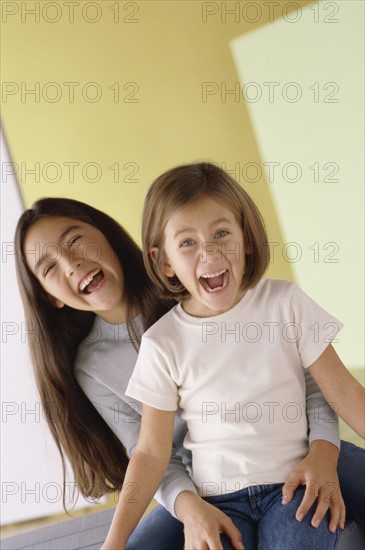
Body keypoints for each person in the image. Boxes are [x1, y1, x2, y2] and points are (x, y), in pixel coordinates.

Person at [15, 196, 363, 550]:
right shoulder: (92, 366)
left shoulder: (199, 288)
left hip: (290, 451)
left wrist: (323, 449)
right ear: (49, 297)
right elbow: (149, 453)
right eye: (49, 268)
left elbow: (315, 380)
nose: (71, 263)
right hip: (203, 485)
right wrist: (189, 507)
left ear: (105, 235)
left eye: (75, 241)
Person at [100, 162, 365, 550]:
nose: (209, 250)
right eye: (187, 242)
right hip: (217, 502)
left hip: (292, 488)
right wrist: (113, 543)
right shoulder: (163, 342)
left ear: (247, 240)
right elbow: (151, 451)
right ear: (165, 261)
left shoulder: (285, 302)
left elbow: (346, 394)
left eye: (222, 233)